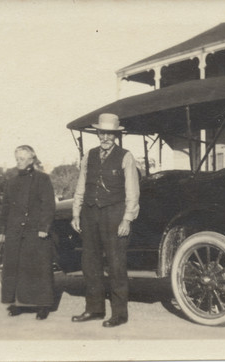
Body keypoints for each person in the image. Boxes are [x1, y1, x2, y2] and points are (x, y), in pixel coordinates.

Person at [71, 113, 140, 328]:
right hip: (90, 214)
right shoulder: (88, 156)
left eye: (110, 133)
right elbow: (81, 186)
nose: (106, 137)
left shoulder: (126, 156)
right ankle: (94, 309)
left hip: (115, 213)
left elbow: (132, 191)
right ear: (98, 133)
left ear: (116, 135)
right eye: (103, 133)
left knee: (116, 264)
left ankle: (120, 314)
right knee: (90, 264)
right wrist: (76, 213)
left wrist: (127, 219)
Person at [0, 145, 56, 320]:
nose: (19, 162)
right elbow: (5, 208)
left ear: (32, 159)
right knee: (15, 267)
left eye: (23, 159)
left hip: (35, 231)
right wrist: (2, 230)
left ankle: (43, 306)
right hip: (15, 230)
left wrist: (44, 228)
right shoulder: (11, 182)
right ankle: (18, 304)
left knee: (38, 268)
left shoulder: (42, 179)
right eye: (17, 159)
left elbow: (48, 206)